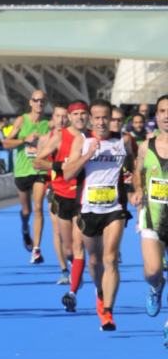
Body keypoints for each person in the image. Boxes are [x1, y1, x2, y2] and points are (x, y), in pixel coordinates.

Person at [62, 98, 137, 331]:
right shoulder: (82, 141)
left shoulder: (123, 141)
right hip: (88, 209)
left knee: (110, 258)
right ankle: (100, 290)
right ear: (90, 119)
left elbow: (134, 167)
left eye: (107, 117)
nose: (102, 122)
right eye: (98, 118)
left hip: (114, 208)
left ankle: (108, 311)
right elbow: (66, 174)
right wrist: (87, 155)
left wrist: (135, 185)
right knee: (93, 261)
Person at [35, 101, 90, 312]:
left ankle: (73, 290)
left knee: (79, 247)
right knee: (69, 249)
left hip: (84, 198)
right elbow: (38, 162)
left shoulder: (93, 137)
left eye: (83, 114)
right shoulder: (60, 137)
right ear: (69, 116)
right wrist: (60, 166)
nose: (79, 118)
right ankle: (75, 270)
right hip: (62, 194)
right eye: (75, 114)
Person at [133, 93, 168, 331]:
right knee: (153, 271)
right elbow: (138, 173)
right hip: (152, 217)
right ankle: (156, 288)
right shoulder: (146, 147)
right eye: (163, 111)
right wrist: (136, 191)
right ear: (156, 116)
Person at [2, 89, 50, 260]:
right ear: (30, 102)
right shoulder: (22, 120)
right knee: (26, 209)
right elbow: (6, 143)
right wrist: (25, 140)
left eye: (42, 101)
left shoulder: (48, 123)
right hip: (22, 170)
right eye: (36, 100)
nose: (39, 104)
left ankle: (36, 248)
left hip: (39, 170)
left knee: (38, 207)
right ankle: (24, 228)